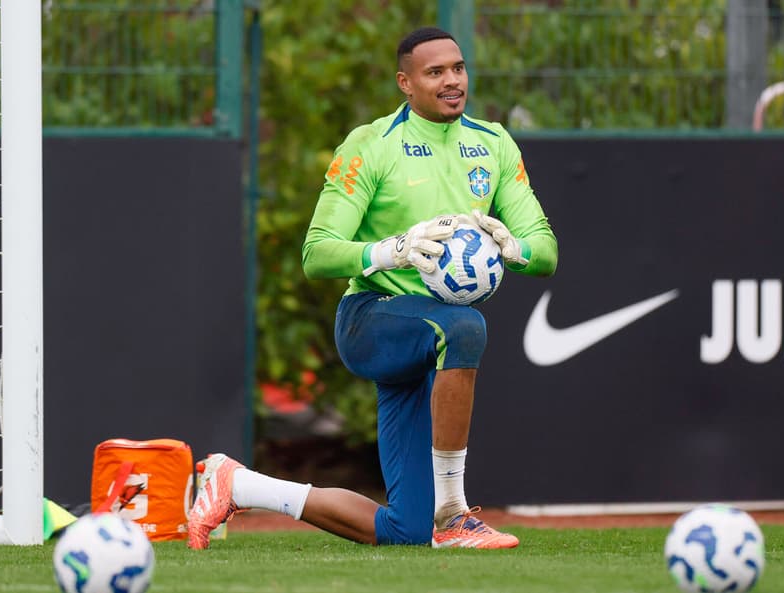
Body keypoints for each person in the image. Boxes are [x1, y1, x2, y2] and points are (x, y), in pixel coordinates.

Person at [187, 26, 557, 550]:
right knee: (466, 327)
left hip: (427, 334)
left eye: (457, 68)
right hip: (372, 319)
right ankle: (453, 514)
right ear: (405, 83)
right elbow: (317, 253)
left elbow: (546, 250)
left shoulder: (493, 143)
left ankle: (238, 485)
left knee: (405, 531)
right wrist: (392, 250)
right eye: (435, 72)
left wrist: (514, 248)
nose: (452, 81)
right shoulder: (371, 145)